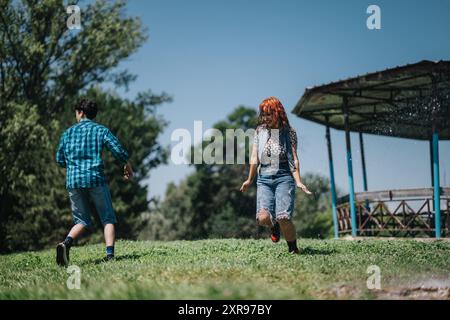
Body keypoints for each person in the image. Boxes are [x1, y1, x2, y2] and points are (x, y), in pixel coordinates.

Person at [55, 98, 133, 266]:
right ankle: (110, 256)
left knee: (81, 220)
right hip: (95, 178)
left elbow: (59, 160)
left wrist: (74, 165)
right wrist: (126, 164)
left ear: (80, 112)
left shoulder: (67, 133)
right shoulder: (100, 130)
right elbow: (117, 149)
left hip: (74, 181)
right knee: (107, 218)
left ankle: (66, 243)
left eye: (76, 112)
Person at [240, 97, 312, 254]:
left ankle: (293, 249)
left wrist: (298, 181)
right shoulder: (260, 131)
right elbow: (254, 157)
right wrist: (249, 179)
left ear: (278, 113)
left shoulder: (289, 132)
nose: (266, 118)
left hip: (284, 177)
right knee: (263, 218)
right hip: (264, 178)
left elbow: (294, 159)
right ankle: (274, 226)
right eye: (263, 114)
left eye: (269, 114)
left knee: (284, 217)